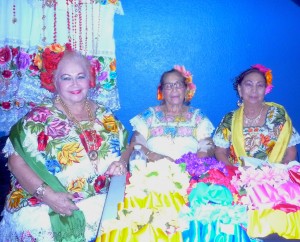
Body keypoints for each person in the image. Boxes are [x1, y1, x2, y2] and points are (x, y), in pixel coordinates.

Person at [0, 43, 130, 241]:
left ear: (90, 79)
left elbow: (125, 149)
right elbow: (14, 162)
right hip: (44, 203)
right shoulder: (38, 118)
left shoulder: (106, 115)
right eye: (66, 78)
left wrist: (121, 163)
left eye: (81, 76)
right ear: (54, 81)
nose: (75, 84)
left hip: (100, 199)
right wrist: (48, 195)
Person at [213, 64, 300, 166]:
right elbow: (220, 152)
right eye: (249, 84)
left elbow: (291, 151)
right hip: (238, 177)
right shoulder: (229, 118)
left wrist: (279, 174)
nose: (254, 90)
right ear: (240, 89)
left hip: (275, 176)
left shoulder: (278, 115)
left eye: (260, 85)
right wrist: (234, 174)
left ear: (265, 90)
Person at [128, 65, 215, 162]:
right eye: (168, 86)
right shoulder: (149, 115)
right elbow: (136, 144)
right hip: (153, 172)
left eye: (178, 85)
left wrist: (195, 163)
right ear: (162, 92)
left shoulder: (197, 116)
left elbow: (207, 145)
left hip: (189, 173)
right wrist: (156, 157)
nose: (174, 89)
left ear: (186, 89)